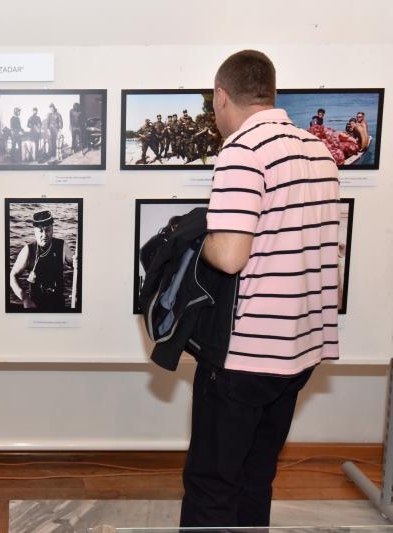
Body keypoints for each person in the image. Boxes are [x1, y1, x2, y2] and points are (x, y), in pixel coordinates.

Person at [181, 50, 340, 528]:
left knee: (212, 483)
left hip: (246, 354)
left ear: (221, 96)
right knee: (256, 476)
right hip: (300, 350)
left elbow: (230, 256)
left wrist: (194, 239)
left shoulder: (243, 150)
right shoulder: (318, 151)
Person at [9, 209, 75, 311]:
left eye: (47, 230)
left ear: (52, 229)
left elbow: (77, 267)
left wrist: (76, 292)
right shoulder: (28, 250)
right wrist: (25, 298)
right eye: (40, 230)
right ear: (34, 231)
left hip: (58, 305)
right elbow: (12, 276)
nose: (44, 235)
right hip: (35, 305)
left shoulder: (62, 247)